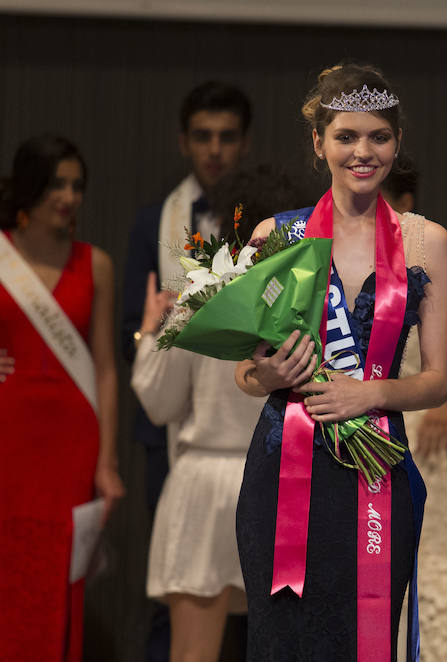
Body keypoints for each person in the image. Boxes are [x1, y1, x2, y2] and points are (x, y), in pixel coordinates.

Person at [233, 63, 447, 661]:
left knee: (365, 640)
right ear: (318, 143)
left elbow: (436, 381)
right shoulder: (276, 236)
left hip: (378, 466)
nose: (363, 152)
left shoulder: (424, 241)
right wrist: (269, 377)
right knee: (283, 641)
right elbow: (245, 372)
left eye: (378, 137)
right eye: (346, 137)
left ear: (397, 143)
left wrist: (371, 395)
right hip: (284, 472)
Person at [130, 164, 314, 662]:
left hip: (205, 484)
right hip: (285, 481)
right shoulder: (311, 297)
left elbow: (159, 402)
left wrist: (151, 332)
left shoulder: (204, 293)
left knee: (192, 653)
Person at [120, 80, 252, 662]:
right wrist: (162, 334)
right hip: (176, 426)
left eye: (226, 137)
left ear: (243, 144)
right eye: (203, 137)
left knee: (259, 608)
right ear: (183, 142)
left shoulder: (270, 226)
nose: (214, 150)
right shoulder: (156, 222)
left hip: (249, 426)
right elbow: (132, 320)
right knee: (181, 592)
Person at [0, 134, 125, 661]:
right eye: (56, 184)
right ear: (30, 188)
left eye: (76, 185)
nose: (68, 196)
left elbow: (104, 366)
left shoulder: (95, 264)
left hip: (74, 442)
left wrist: (107, 462)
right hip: (10, 436)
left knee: (60, 574)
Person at [383, 155, 447, 662]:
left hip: (420, 439)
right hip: (355, 433)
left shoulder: (429, 257)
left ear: (406, 203)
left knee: (426, 572)